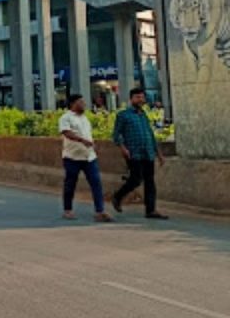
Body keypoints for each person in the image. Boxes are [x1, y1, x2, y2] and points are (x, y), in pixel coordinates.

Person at [112, 87, 168, 219]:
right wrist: (123, 148)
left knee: (150, 181)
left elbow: (150, 135)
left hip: (147, 152)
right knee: (136, 179)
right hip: (133, 152)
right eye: (137, 97)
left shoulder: (143, 115)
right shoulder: (123, 115)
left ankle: (151, 210)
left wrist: (158, 154)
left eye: (142, 97)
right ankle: (118, 196)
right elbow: (116, 134)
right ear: (131, 99)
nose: (140, 99)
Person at [59, 94, 112, 222]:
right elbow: (66, 133)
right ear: (73, 104)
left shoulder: (85, 118)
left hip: (89, 157)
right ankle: (68, 210)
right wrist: (82, 140)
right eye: (80, 102)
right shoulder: (66, 118)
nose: (84, 104)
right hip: (72, 157)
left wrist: (91, 144)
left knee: (96, 183)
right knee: (70, 184)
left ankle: (99, 211)